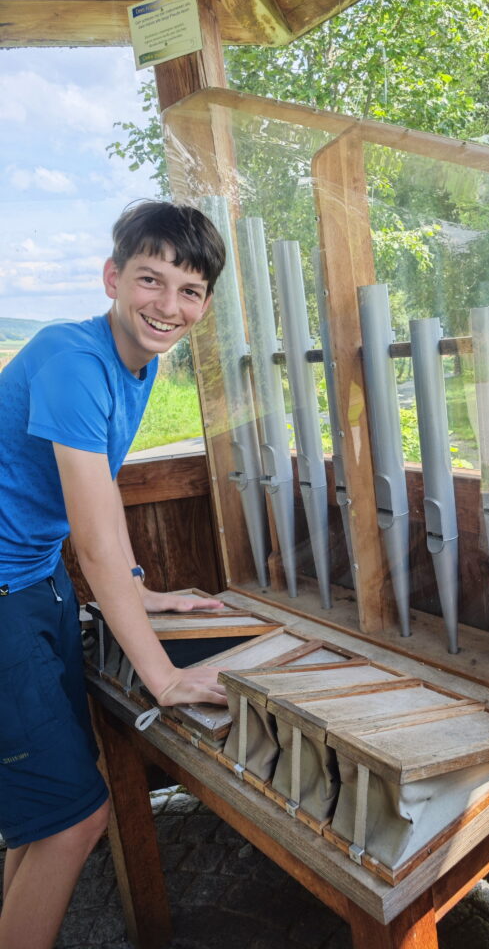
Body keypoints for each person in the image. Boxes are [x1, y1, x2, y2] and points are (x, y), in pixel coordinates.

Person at [0, 200, 230, 949]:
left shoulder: (135, 364)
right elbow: (95, 542)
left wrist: (139, 584)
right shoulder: (74, 362)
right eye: (150, 279)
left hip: (36, 581)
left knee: (39, 814)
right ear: (112, 278)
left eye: (189, 290)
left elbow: (102, 526)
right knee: (75, 818)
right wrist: (162, 678)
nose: (168, 305)